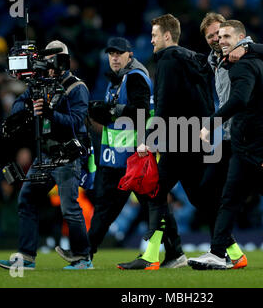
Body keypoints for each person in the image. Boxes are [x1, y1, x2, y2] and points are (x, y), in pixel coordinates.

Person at [54, 37, 185, 268]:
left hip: (133, 158)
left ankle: (85, 255)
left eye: (119, 53)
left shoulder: (134, 78)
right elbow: (117, 118)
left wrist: (111, 110)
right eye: (111, 54)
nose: (114, 57)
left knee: (140, 208)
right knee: (125, 208)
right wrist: (103, 113)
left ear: (129, 55)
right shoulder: (118, 79)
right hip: (117, 158)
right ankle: (86, 254)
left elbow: (142, 111)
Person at [189, 20, 263, 270]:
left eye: (226, 36)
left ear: (243, 39)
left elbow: (239, 99)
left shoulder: (242, 65)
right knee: (253, 199)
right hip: (258, 143)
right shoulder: (258, 63)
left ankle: (222, 253)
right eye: (218, 36)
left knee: (246, 198)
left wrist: (210, 123)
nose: (221, 40)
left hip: (257, 145)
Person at [117, 14, 216, 270]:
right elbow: (204, 100)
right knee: (199, 198)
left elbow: (164, 104)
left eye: (154, 35)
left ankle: (151, 255)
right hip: (192, 139)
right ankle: (231, 250)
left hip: (178, 141)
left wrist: (149, 139)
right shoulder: (193, 59)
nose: (151, 41)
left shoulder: (168, 60)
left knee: (155, 192)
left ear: (167, 36)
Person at [0, 40, 93, 270]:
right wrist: (28, 108)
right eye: (47, 58)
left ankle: (83, 258)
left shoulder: (75, 87)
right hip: (46, 153)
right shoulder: (40, 85)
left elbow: (76, 123)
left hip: (67, 153)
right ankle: (26, 257)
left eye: (54, 58)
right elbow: (18, 104)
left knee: (69, 207)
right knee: (27, 199)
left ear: (64, 59)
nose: (49, 64)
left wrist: (50, 113)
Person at [195, 12, 263, 268]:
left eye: (219, 33)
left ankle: (223, 251)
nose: (215, 39)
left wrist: (246, 47)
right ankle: (229, 250)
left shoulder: (245, 51)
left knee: (252, 195)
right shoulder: (213, 59)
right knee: (212, 190)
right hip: (231, 134)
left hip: (249, 135)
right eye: (210, 35)